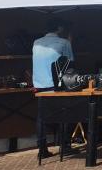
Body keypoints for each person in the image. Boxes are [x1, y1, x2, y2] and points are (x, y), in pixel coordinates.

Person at [31, 19, 73, 158]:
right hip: (56, 84)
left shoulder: (36, 42)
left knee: (41, 117)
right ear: (59, 28)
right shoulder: (64, 43)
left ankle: (42, 149)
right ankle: (65, 145)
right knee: (64, 113)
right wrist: (70, 42)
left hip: (39, 84)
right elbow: (69, 63)